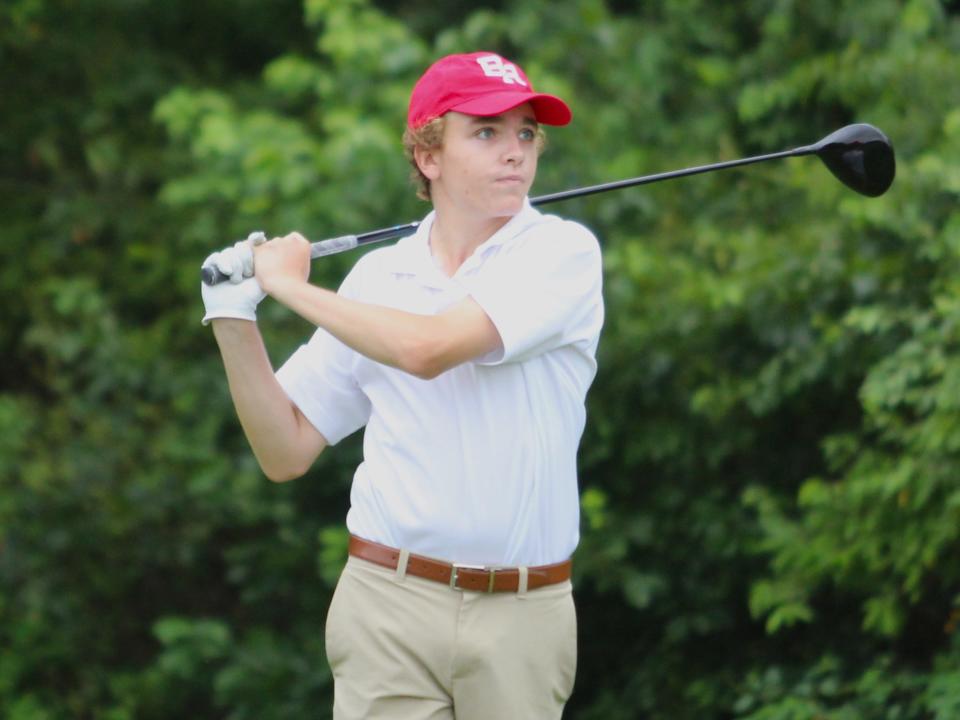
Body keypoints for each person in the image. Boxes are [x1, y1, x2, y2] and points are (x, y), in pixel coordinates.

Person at [200, 51, 604, 720]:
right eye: (487, 132)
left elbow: (428, 348)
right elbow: (286, 450)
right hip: (386, 602)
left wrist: (292, 286)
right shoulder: (376, 281)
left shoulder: (560, 254)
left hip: (523, 616)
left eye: (526, 132)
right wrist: (233, 316)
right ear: (429, 156)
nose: (516, 153)